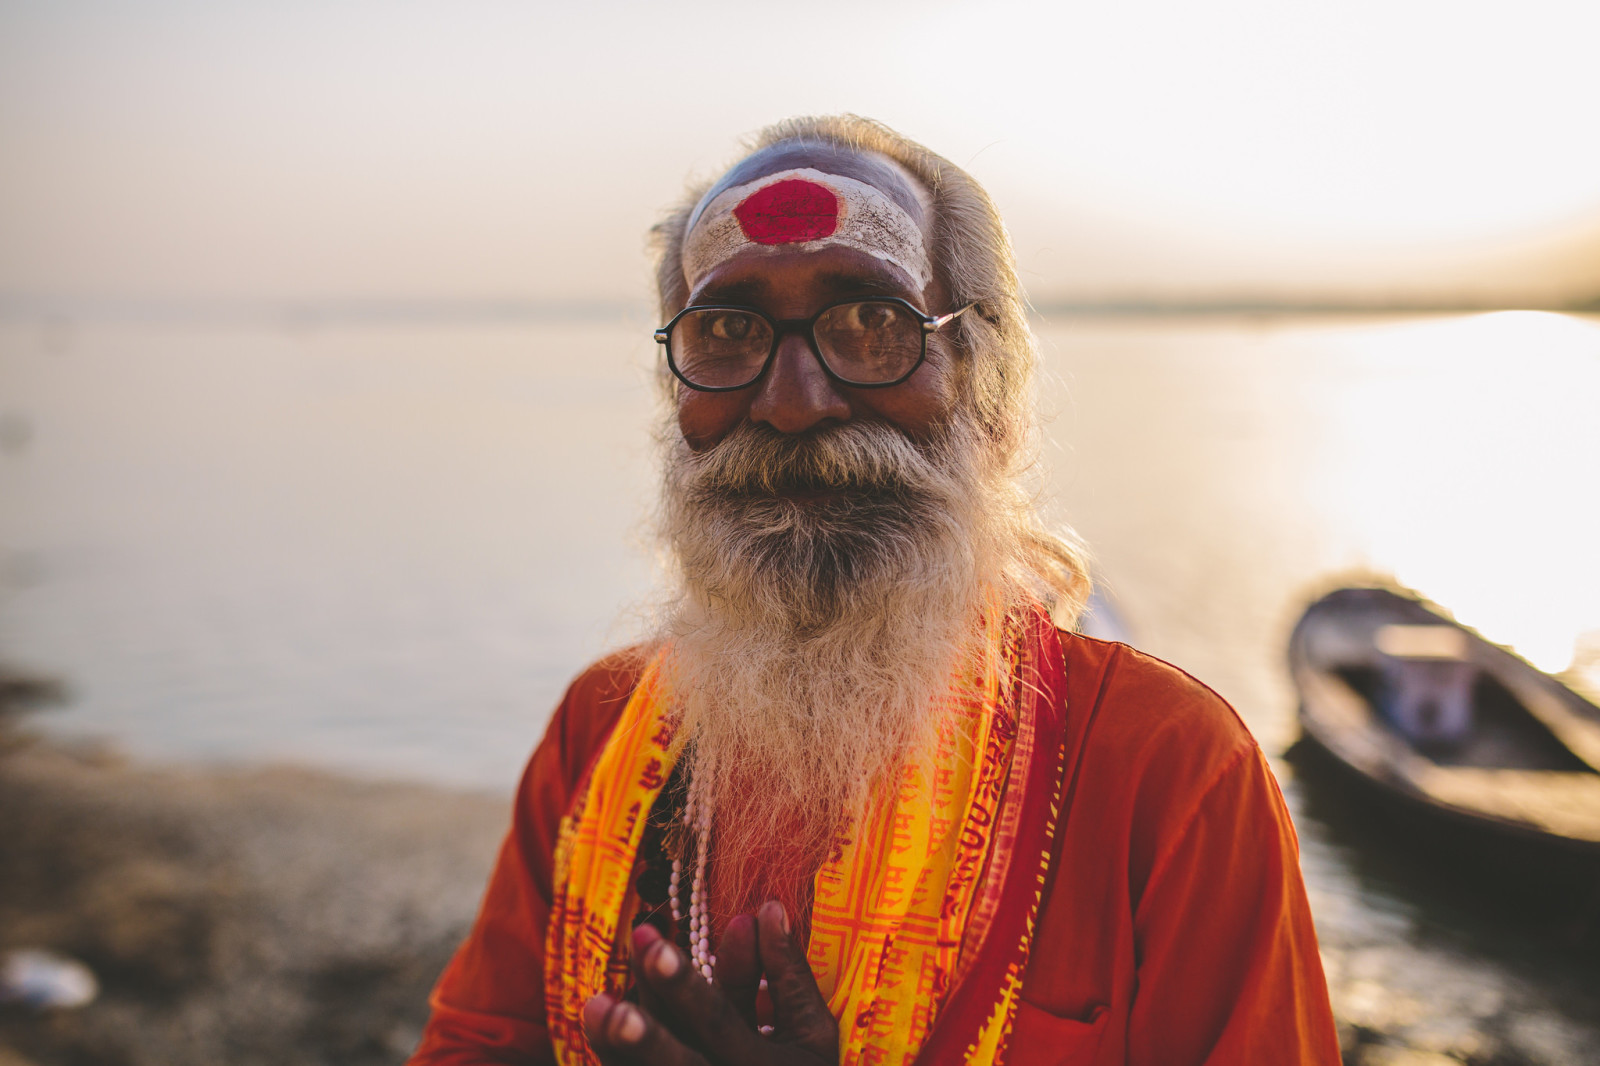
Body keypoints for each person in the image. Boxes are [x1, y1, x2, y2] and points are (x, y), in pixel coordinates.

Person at [409, 115, 1340, 1066]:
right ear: (675, 395)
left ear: (986, 390)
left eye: (872, 322)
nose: (793, 401)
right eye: (728, 330)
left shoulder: (1168, 766)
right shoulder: (599, 730)